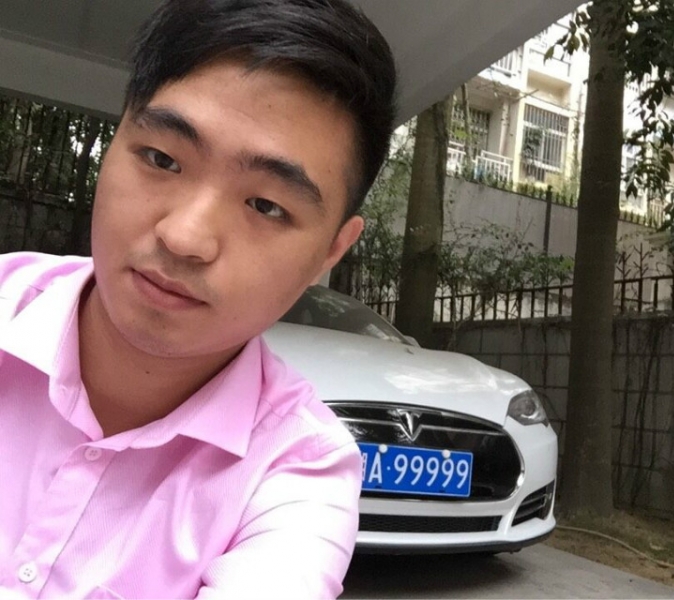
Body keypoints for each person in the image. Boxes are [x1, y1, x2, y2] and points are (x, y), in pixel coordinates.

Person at [0, 0, 396, 597]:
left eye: (266, 206)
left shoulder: (298, 472)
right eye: (162, 159)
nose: (184, 237)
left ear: (331, 251)